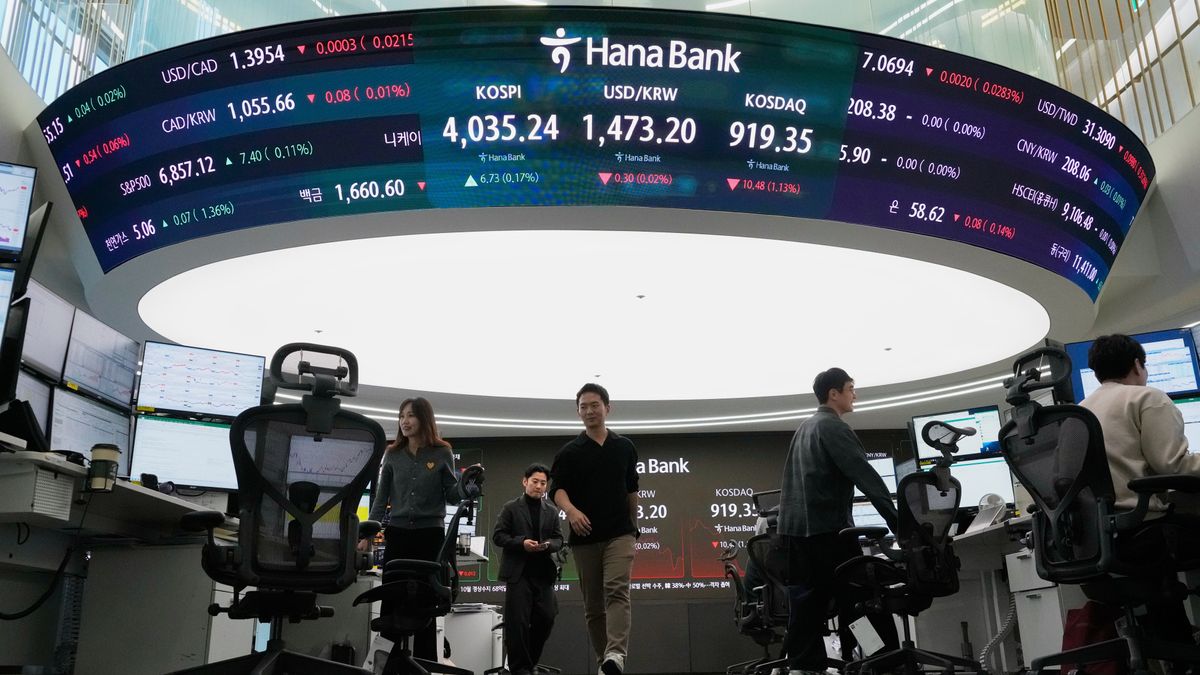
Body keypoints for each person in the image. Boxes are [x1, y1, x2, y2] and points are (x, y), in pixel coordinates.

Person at [1079, 334, 1200, 648]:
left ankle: (1177, 649)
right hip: (1142, 532)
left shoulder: (1079, 412)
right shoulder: (1147, 397)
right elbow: (1173, 465)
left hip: (1099, 538)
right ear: (1137, 365)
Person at [777, 368, 899, 674]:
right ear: (834, 394)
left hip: (796, 535)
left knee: (808, 607)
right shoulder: (833, 427)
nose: (854, 394)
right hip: (829, 533)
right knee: (862, 600)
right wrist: (899, 523)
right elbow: (866, 478)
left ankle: (805, 667)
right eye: (850, 388)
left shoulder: (804, 428)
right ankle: (883, 662)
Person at [362, 397, 463, 662]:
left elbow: (452, 495)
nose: (404, 422)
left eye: (411, 416)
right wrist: (369, 533)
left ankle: (424, 664)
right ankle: (387, 666)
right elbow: (381, 498)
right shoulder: (392, 454)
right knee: (392, 602)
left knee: (425, 605)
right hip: (398, 536)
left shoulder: (442, 452)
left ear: (424, 419)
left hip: (429, 538)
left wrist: (466, 488)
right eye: (401, 416)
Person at [549, 383, 639, 675]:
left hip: (620, 533)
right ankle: (605, 662)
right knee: (593, 605)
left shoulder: (624, 447)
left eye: (595, 405)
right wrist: (571, 511)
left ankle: (616, 653)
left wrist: (633, 527)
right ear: (578, 412)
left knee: (617, 590)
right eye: (584, 407)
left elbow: (631, 489)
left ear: (607, 408)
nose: (589, 411)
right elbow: (557, 490)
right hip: (585, 538)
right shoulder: (569, 452)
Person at [493, 463, 564, 675]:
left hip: (543, 573)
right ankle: (520, 669)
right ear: (525, 482)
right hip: (519, 573)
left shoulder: (551, 511)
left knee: (548, 617)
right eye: (535, 481)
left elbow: (559, 539)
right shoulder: (511, 508)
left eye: (543, 483)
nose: (539, 486)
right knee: (518, 623)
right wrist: (521, 543)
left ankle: (527, 663)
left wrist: (548, 545)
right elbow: (498, 536)